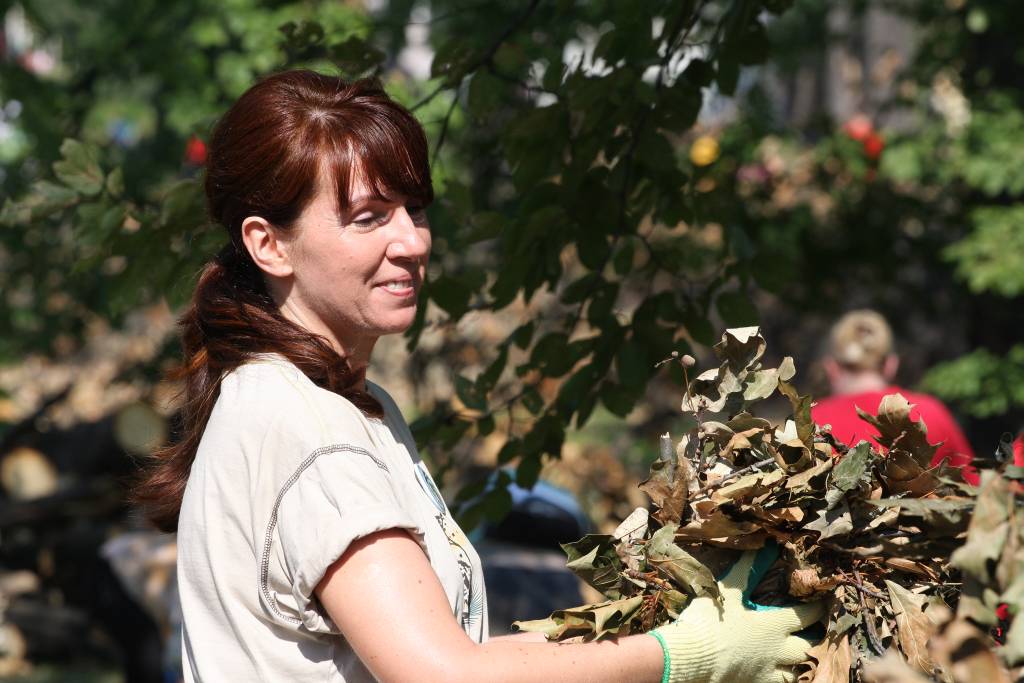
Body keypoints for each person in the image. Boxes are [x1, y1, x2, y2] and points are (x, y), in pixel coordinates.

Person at [133, 70, 822, 683]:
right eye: (369, 217)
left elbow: (431, 644)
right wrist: (688, 654)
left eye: (415, 209)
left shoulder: (329, 402)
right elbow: (446, 674)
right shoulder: (308, 429)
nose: (412, 241)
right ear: (268, 242)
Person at [811, 309, 978, 484]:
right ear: (891, 365)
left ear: (831, 368)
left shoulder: (810, 423)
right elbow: (973, 489)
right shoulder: (930, 412)